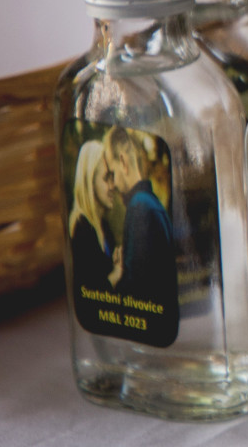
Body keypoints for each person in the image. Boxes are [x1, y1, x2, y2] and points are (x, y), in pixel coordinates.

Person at [97, 127, 177, 315]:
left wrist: (118, 277)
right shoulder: (150, 202)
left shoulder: (139, 207)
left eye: (112, 173)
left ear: (123, 162)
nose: (112, 185)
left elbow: (137, 290)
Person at [66, 138, 113, 295]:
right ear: (89, 180)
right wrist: (116, 275)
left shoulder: (104, 225)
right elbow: (90, 289)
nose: (112, 186)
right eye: (106, 178)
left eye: (112, 177)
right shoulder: (80, 227)